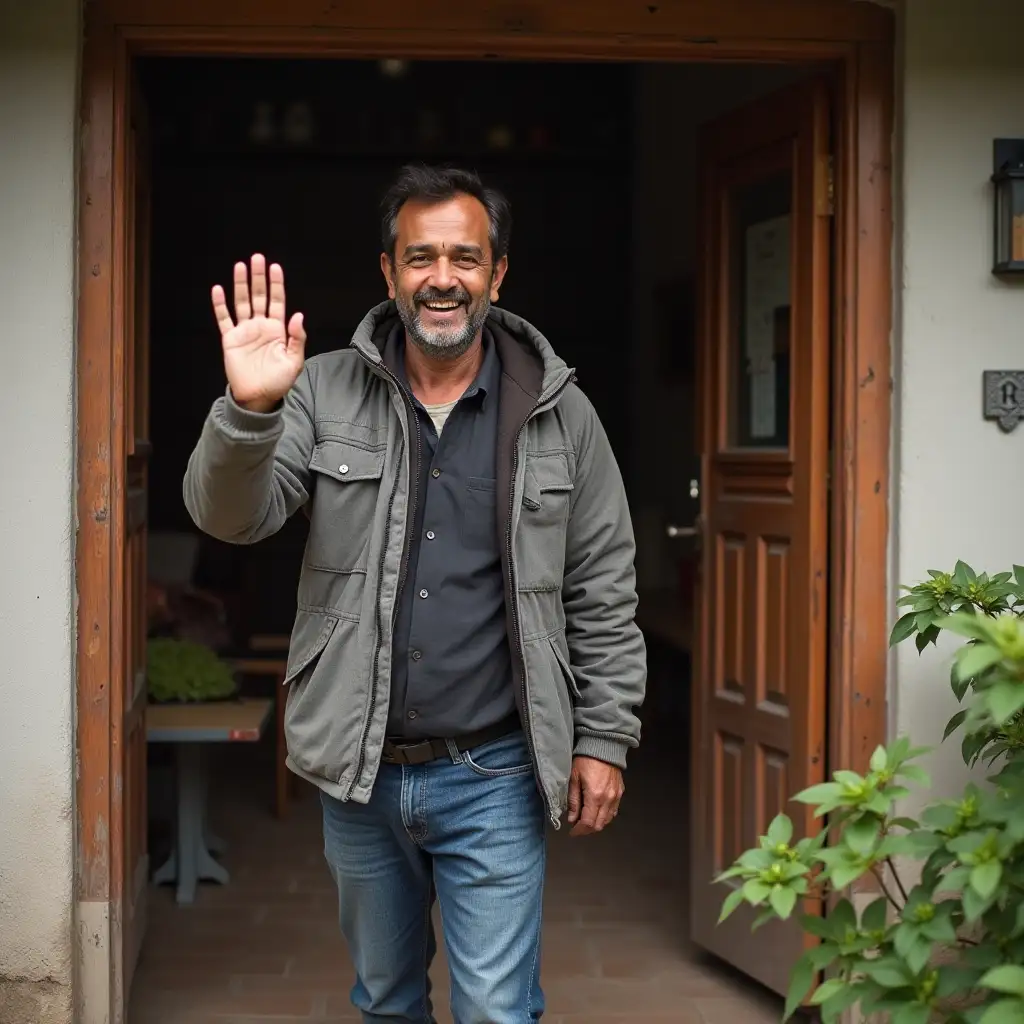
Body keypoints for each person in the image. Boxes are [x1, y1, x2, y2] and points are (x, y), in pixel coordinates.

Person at [183, 164, 647, 1023]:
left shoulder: (560, 411)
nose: (443, 278)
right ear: (389, 273)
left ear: (497, 273)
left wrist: (606, 738)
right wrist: (250, 413)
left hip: (497, 768)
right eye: (420, 257)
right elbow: (231, 520)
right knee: (387, 1001)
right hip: (360, 774)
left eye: (465, 258)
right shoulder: (320, 388)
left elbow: (603, 587)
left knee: (498, 1010)